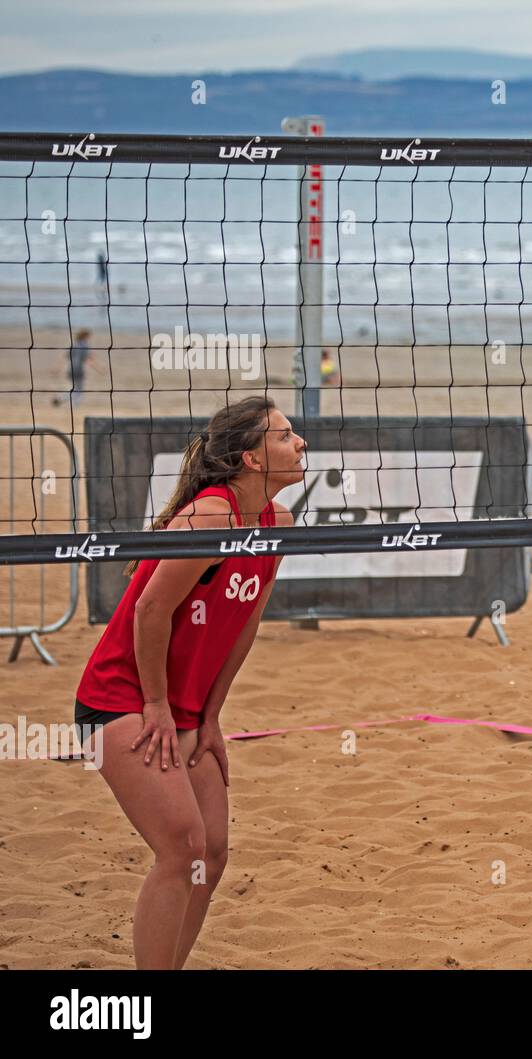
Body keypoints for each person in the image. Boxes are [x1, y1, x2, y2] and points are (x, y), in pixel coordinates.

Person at [74, 395, 306, 967]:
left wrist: (209, 715)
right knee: (182, 846)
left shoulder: (278, 520)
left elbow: (245, 622)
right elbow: (148, 612)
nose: (299, 441)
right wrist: (156, 705)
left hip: (186, 707)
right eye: (284, 435)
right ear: (251, 460)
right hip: (119, 698)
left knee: (215, 852)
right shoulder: (212, 514)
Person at [54, 329, 93, 409]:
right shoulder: (85, 346)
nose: (90, 338)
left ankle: (60, 398)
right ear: (85, 336)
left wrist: (57, 368)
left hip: (70, 370)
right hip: (79, 370)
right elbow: (88, 359)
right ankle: (74, 406)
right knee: (79, 390)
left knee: (75, 389)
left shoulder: (74, 345)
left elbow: (65, 356)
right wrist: (100, 369)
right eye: (89, 336)